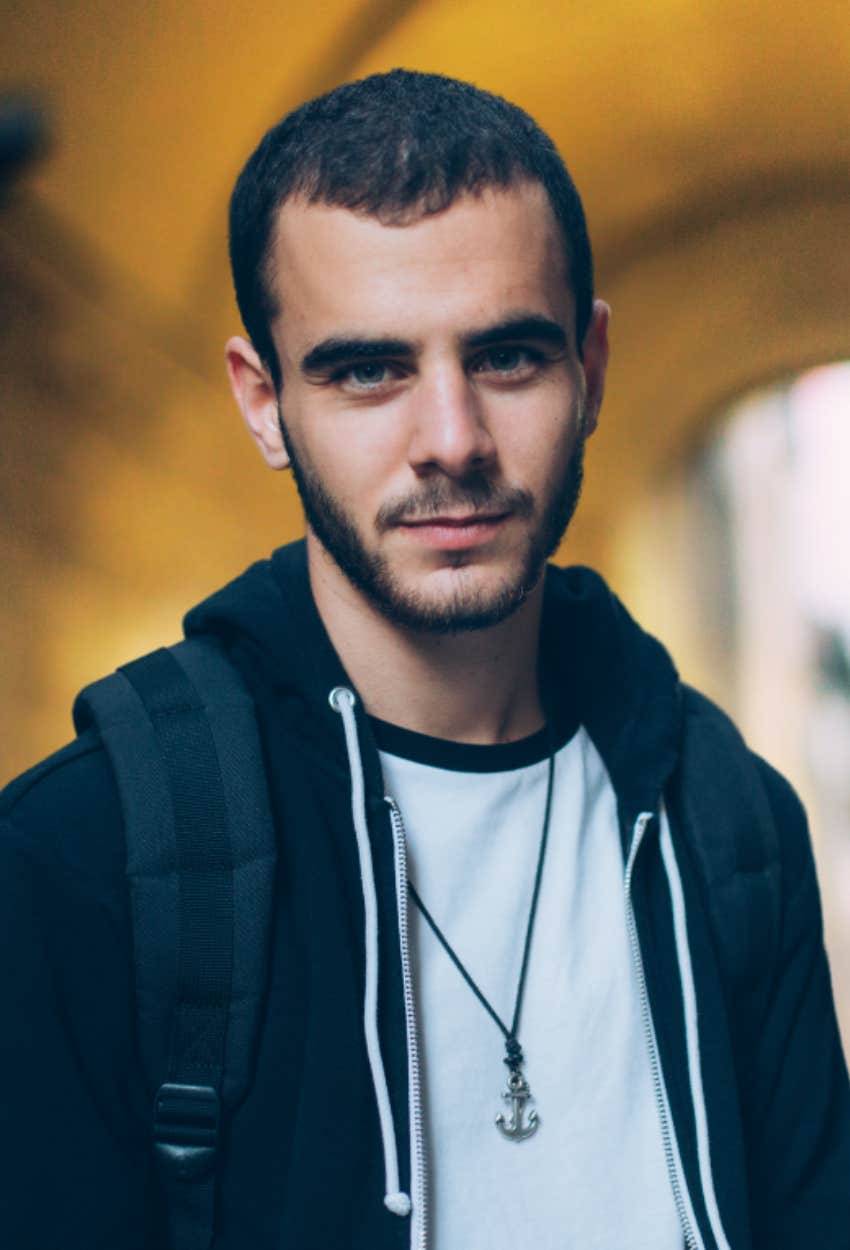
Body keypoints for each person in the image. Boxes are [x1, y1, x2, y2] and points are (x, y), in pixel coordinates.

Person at [1, 68, 848, 1250]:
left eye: (507, 358)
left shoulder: (726, 821)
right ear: (262, 401)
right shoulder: (85, 858)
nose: (450, 440)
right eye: (368, 370)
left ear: (589, 369)